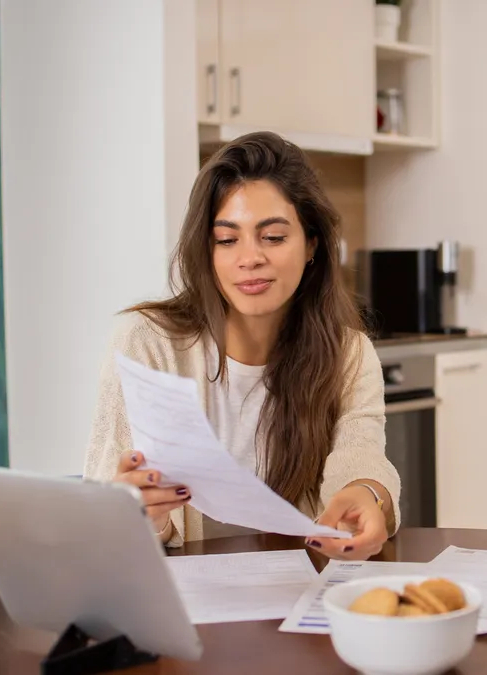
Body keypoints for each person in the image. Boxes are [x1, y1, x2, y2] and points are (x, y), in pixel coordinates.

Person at [83, 131, 401, 561]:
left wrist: (367, 494)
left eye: (272, 237)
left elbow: (360, 455)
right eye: (227, 240)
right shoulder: (146, 342)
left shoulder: (349, 354)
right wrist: (140, 514)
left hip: (298, 593)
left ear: (311, 245)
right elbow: (103, 514)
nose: (249, 258)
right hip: (181, 602)